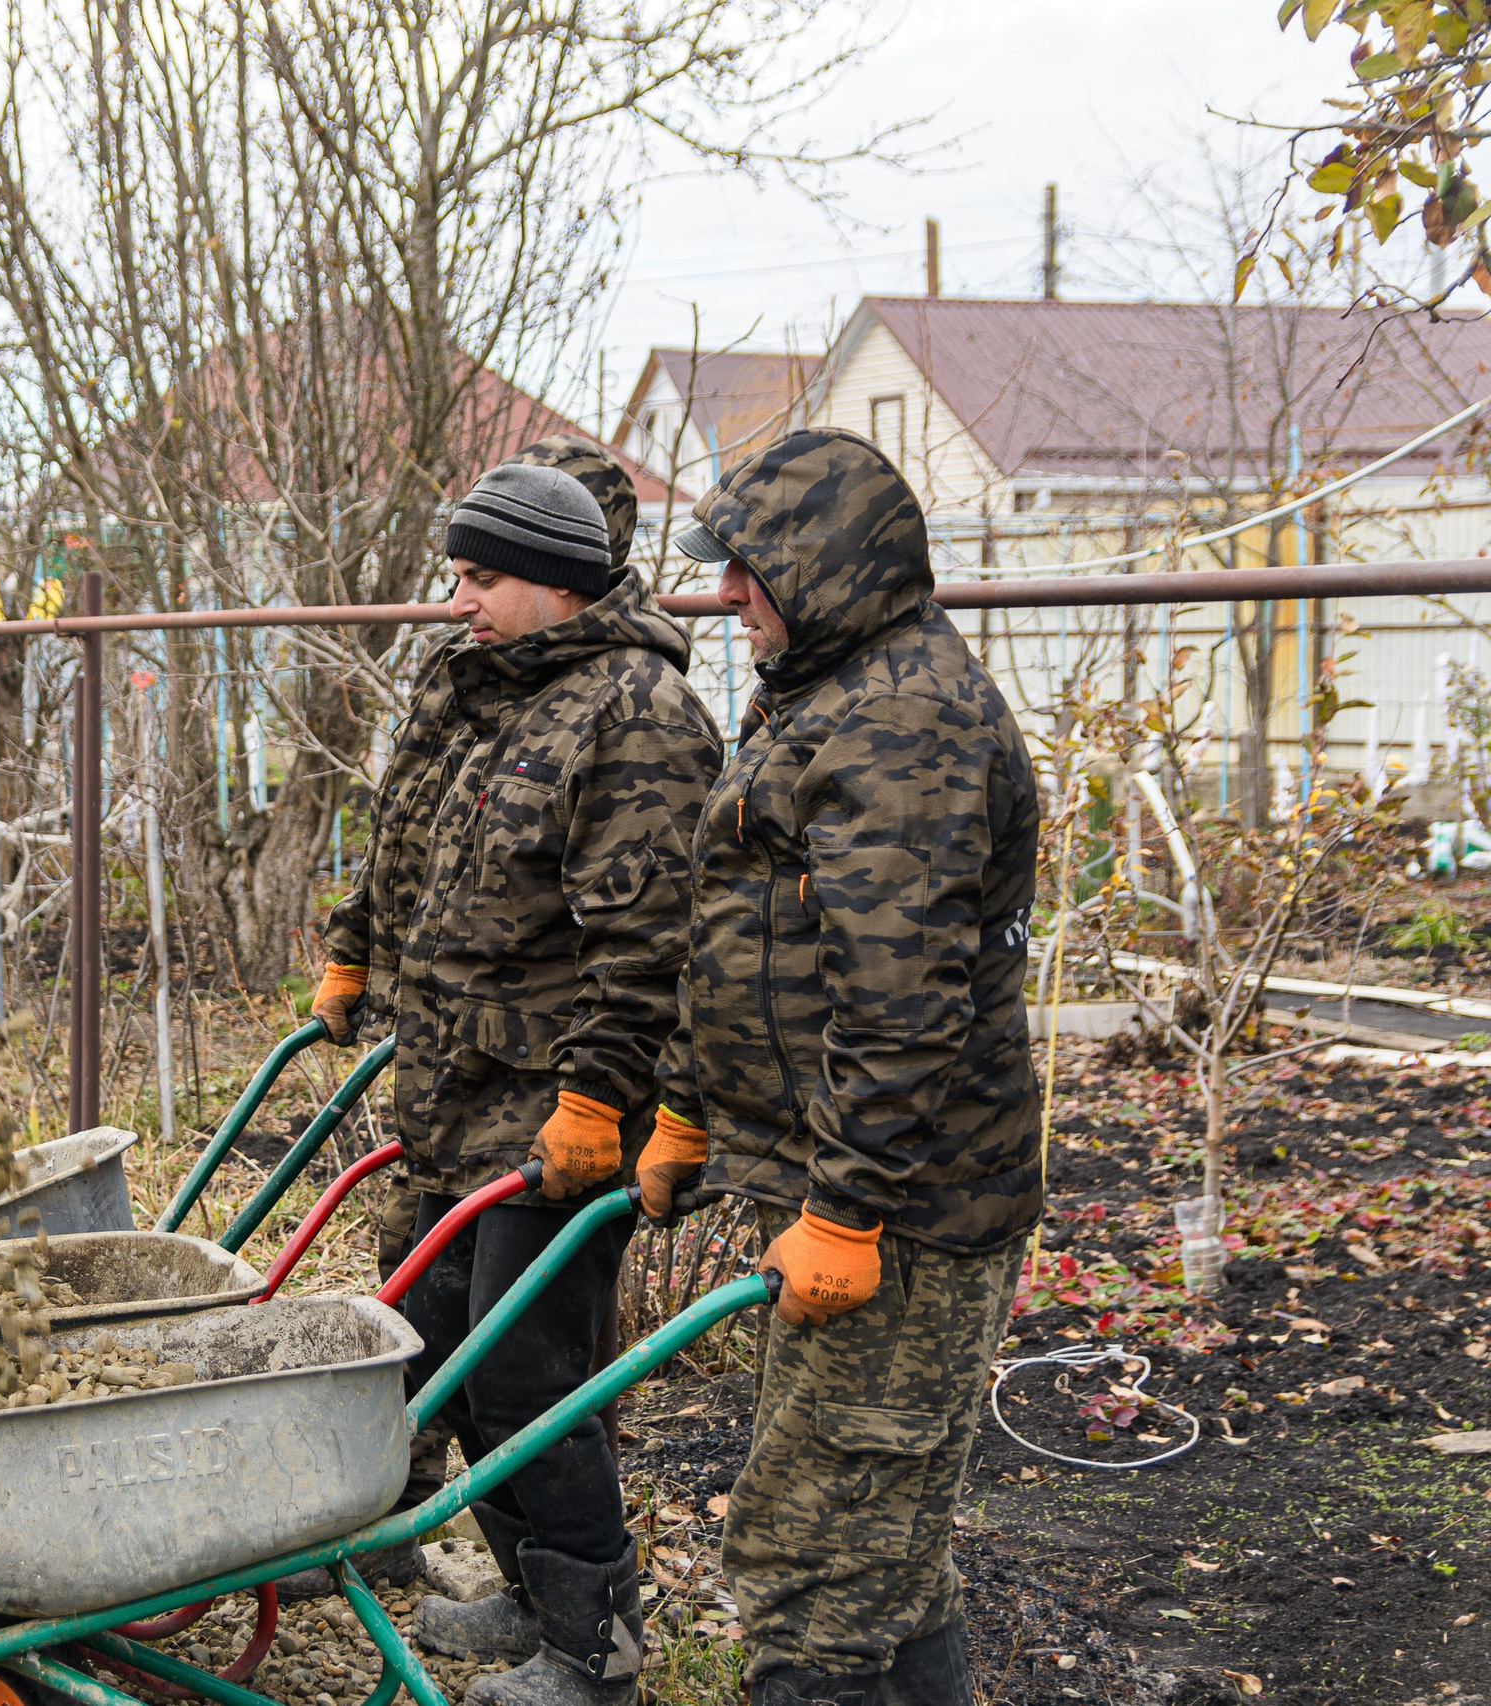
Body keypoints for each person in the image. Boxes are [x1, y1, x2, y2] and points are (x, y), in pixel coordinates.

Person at [312, 439, 722, 1706]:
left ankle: (596, 1647)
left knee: (526, 1368)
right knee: (439, 1351)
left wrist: (597, 1098)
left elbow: (650, 946)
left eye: (482, 576)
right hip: (453, 1092)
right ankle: (535, 1595)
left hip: (556, 1110)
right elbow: (414, 840)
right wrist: (354, 952)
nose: (458, 598)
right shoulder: (490, 683)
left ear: (556, 582)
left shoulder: (636, 717)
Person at [638, 427, 1041, 1706]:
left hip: (906, 1210)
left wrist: (847, 1204)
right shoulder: (819, 698)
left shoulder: (904, 721)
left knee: (813, 1561)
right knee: (886, 1555)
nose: (728, 594)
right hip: (839, 1187)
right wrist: (688, 1108)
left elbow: (900, 1001)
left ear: (823, 568)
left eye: (750, 569)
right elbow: (747, 934)